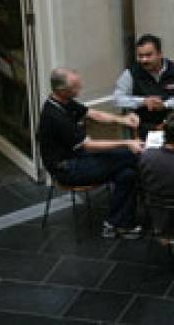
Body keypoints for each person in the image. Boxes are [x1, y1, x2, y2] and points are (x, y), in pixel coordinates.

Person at [37, 68, 143, 239]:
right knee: (131, 155)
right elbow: (89, 146)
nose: (81, 89)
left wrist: (122, 120)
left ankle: (115, 224)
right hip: (67, 169)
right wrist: (127, 142)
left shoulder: (63, 101)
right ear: (63, 91)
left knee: (128, 173)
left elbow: (94, 114)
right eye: (76, 87)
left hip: (77, 157)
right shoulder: (55, 116)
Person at [113, 34, 174, 139]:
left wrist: (166, 104)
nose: (144, 60)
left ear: (160, 54)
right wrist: (143, 101)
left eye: (148, 55)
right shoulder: (131, 73)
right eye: (140, 56)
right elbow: (117, 99)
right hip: (144, 127)